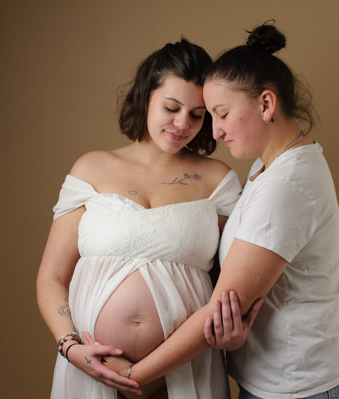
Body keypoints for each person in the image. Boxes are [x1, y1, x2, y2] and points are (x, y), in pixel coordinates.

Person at [103, 22, 339, 399]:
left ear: (266, 104)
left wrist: (133, 373)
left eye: (221, 114)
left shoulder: (284, 187)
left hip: (300, 386)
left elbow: (228, 303)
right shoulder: (272, 165)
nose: (216, 130)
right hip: (280, 378)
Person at [36, 38, 240, 399]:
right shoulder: (92, 168)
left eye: (197, 114)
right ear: (146, 96)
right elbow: (52, 277)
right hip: (90, 367)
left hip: (185, 368)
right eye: (171, 107)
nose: (183, 124)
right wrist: (70, 345)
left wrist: (233, 328)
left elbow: (230, 285)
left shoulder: (217, 180)